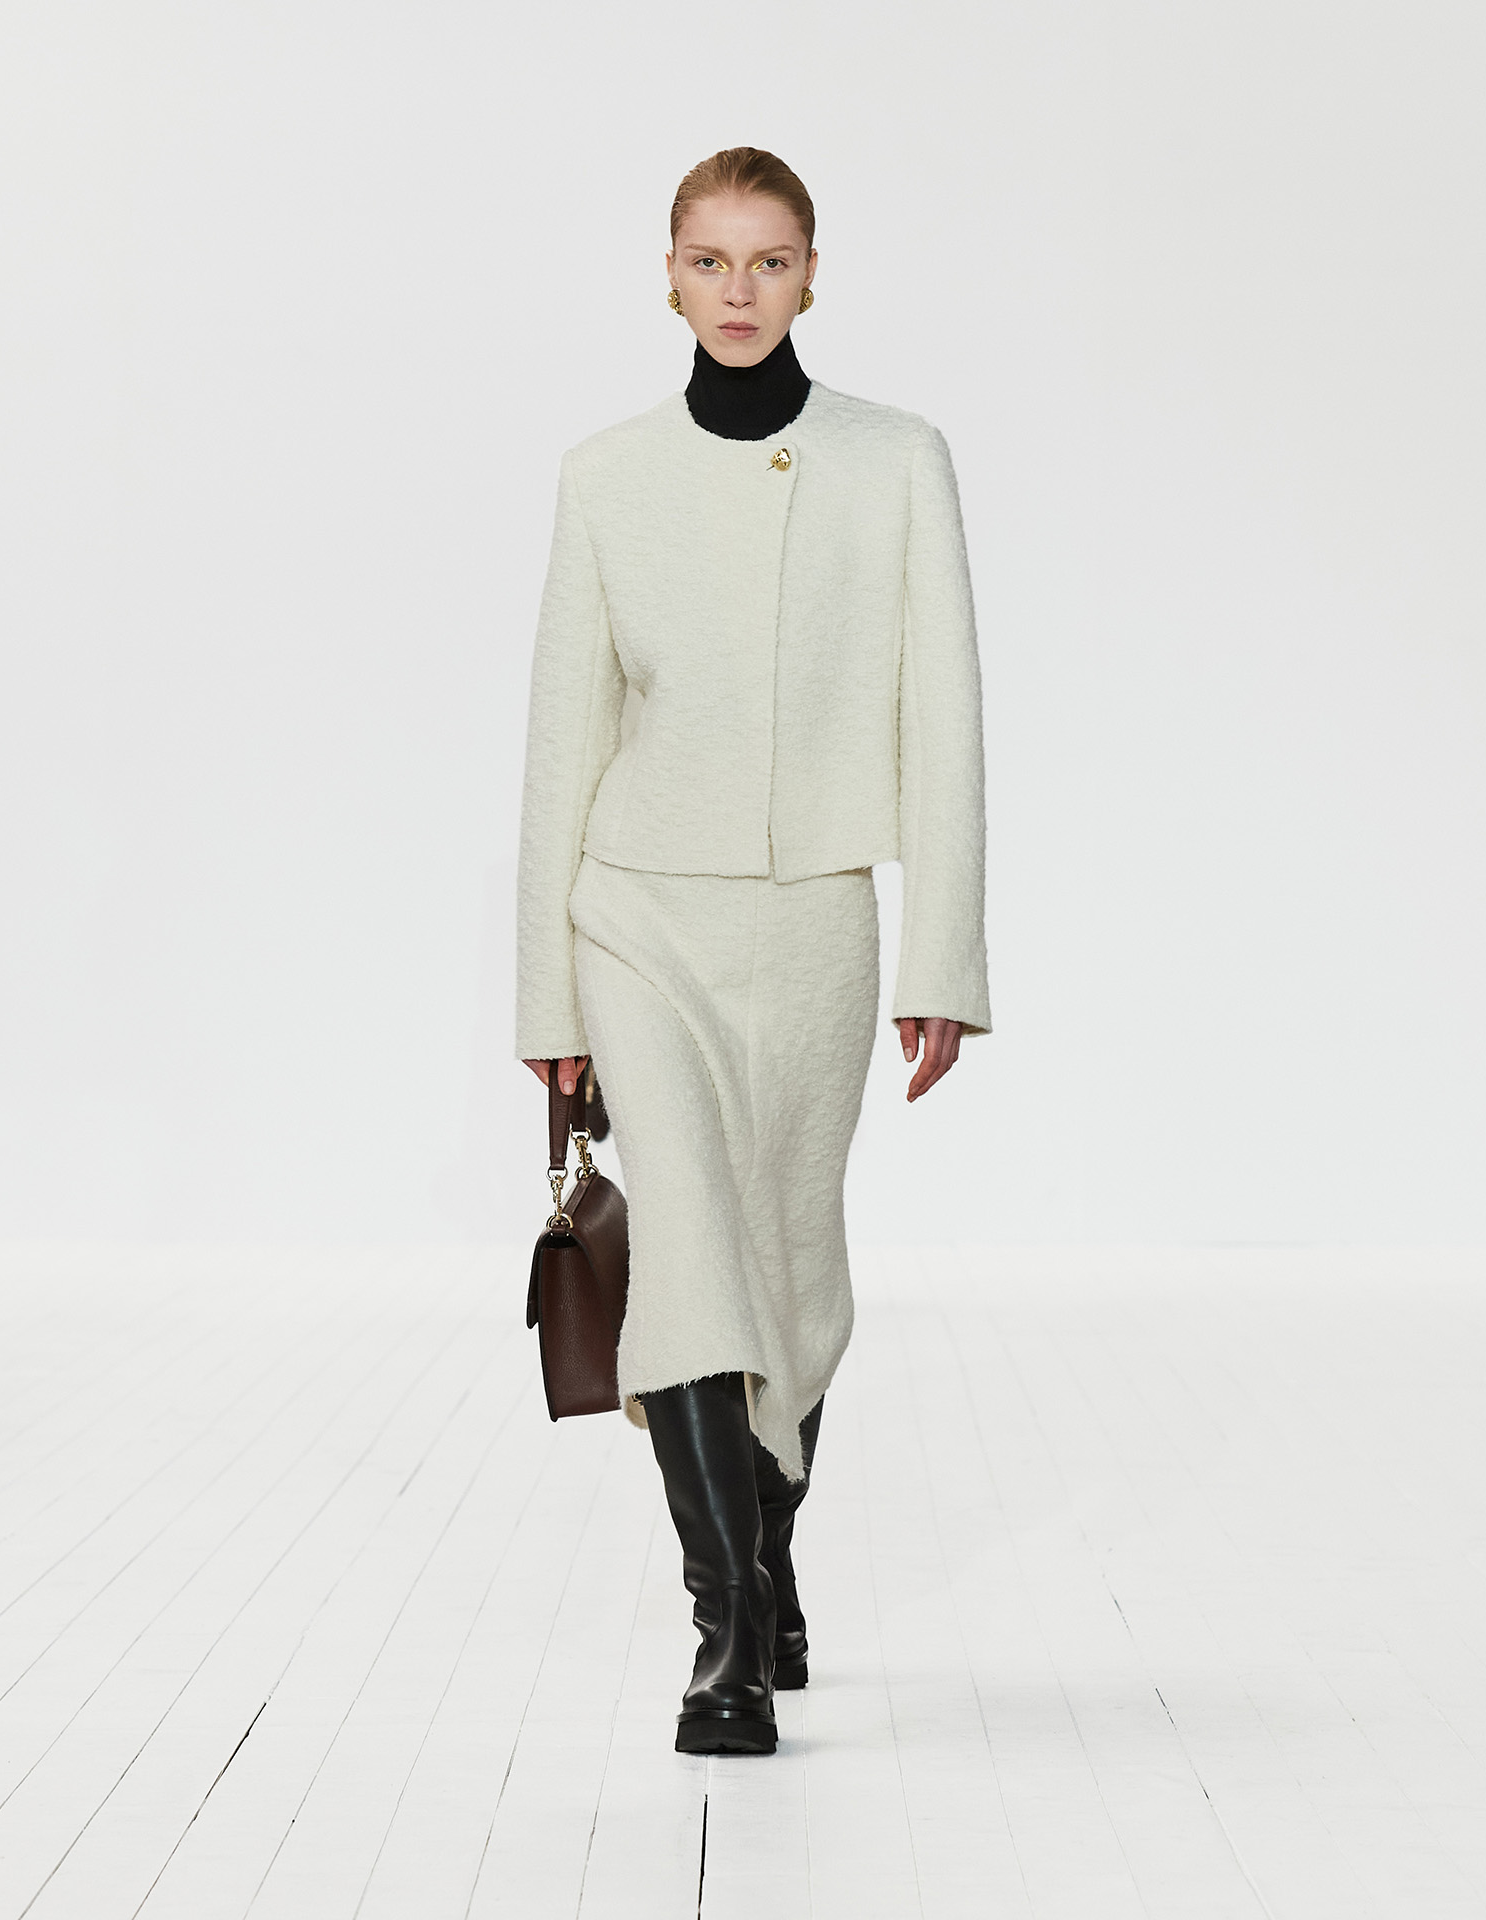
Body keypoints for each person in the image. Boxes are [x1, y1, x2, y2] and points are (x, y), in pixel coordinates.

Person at [515, 147, 990, 1756]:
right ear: (667, 274)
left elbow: (946, 719)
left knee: (788, 1271)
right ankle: (725, 1627)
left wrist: (944, 959)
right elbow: (561, 744)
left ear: (810, 274)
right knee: (698, 1262)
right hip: (639, 912)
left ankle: (772, 1565)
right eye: (710, 261)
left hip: (813, 923)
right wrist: (546, 994)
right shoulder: (605, 477)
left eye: (768, 260)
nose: (738, 290)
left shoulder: (895, 461)